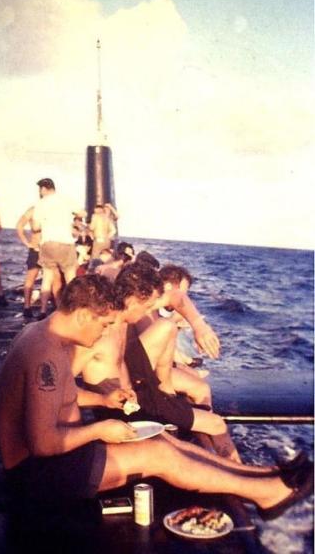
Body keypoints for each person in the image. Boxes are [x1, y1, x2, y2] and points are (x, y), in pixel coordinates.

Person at [0, 274, 313, 522]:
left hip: (58, 458)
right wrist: (98, 429)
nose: (104, 334)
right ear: (81, 316)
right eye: (104, 325)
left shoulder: (44, 335)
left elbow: (58, 395)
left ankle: (267, 476)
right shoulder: (45, 355)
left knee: (162, 440)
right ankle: (267, 493)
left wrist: (104, 401)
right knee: (158, 455)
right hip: (37, 478)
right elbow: (43, 444)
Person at [75, 263, 240, 461]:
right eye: (147, 307)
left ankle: (168, 396)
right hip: (121, 412)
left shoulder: (124, 314)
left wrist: (199, 325)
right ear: (134, 300)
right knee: (214, 425)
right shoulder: (97, 335)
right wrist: (98, 409)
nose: (149, 311)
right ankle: (232, 471)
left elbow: (175, 296)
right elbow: (63, 386)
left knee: (167, 326)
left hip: (140, 395)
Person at [34, 178, 86, 320]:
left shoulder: (40, 203)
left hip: (48, 243)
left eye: (40, 189)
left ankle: (43, 311)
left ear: (44, 189)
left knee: (47, 278)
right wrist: (73, 218)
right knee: (70, 278)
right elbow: (83, 213)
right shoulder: (65, 200)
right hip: (65, 243)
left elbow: (35, 227)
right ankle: (74, 309)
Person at [16, 205, 42, 318]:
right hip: (35, 249)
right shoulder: (33, 210)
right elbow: (19, 225)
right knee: (30, 277)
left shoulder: (52, 209)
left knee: (52, 279)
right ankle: (27, 307)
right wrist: (27, 243)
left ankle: (47, 307)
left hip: (49, 249)